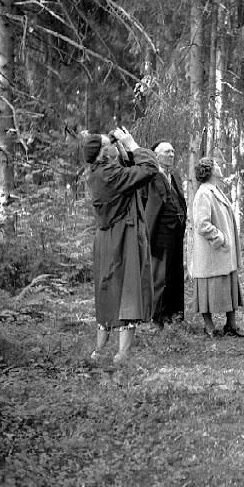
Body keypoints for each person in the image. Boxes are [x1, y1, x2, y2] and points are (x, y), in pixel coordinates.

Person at [83, 127, 159, 363]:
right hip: (122, 236)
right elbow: (149, 169)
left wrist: (121, 149)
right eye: (109, 144)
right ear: (103, 153)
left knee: (106, 289)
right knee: (129, 289)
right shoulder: (111, 175)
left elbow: (127, 174)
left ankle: (99, 351)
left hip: (106, 238)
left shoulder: (98, 173)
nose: (113, 145)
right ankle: (122, 354)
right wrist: (132, 144)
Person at [191, 157, 244, 338]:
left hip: (222, 253)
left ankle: (231, 325)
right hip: (211, 253)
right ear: (211, 170)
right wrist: (219, 238)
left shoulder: (215, 190)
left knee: (229, 283)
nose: (219, 166)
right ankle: (209, 327)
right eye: (216, 165)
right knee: (207, 288)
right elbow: (202, 224)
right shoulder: (204, 193)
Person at [141, 141, 187, 329]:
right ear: (156, 155)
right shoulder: (149, 177)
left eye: (173, 151)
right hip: (160, 233)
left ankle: (174, 316)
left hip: (176, 232)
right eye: (167, 151)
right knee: (159, 276)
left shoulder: (174, 175)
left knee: (175, 274)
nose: (171, 154)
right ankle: (156, 318)